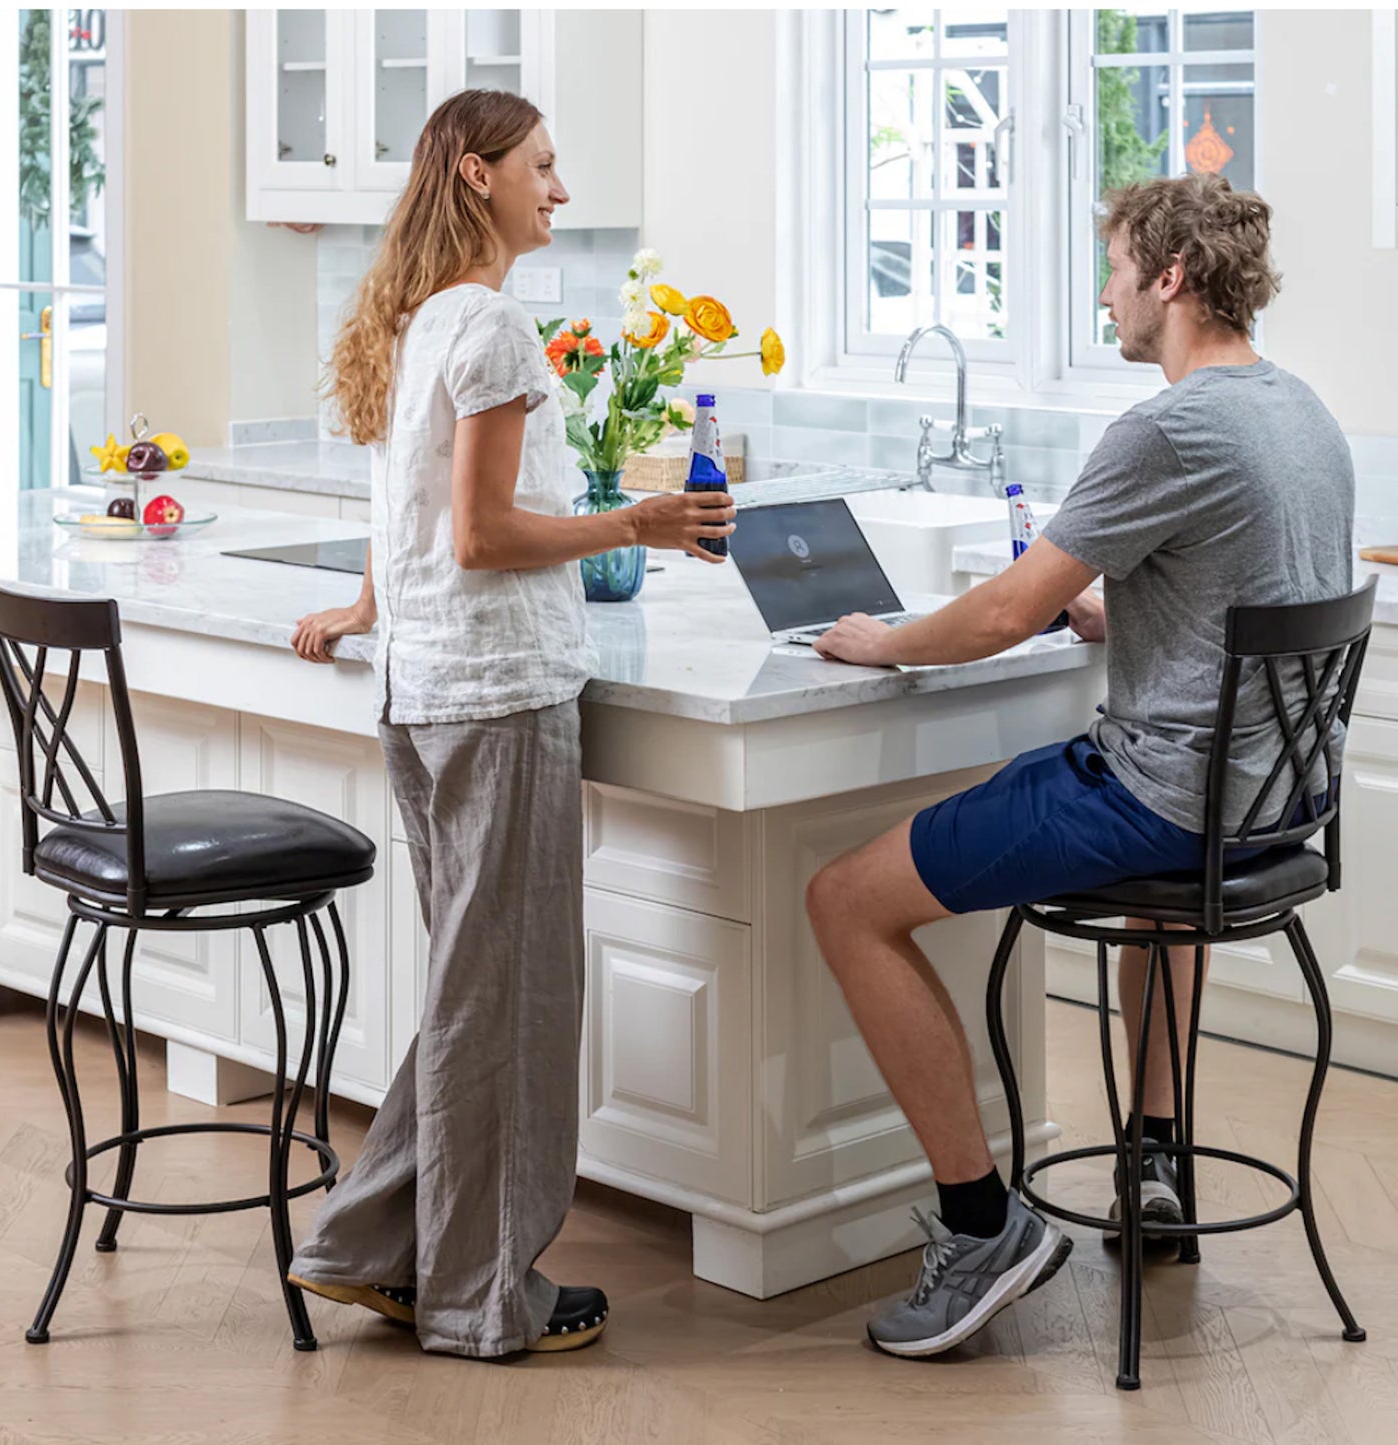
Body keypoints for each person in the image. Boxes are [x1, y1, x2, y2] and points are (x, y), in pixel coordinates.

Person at [806, 172, 1353, 1359]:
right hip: (1273, 810)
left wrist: (882, 640)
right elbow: (1249, 590)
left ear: (1166, 278)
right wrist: (1130, 615)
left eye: (1112, 269)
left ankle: (979, 1224)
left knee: (842, 898)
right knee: (1155, 918)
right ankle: (1150, 1158)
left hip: (1163, 802)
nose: (1104, 295)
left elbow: (1004, 609)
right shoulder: (1297, 408)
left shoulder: (1167, 424)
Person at [283, 89, 735, 1359]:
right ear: (478, 176)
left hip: (427, 690)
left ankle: (373, 1248)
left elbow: (411, 507)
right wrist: (635, 524)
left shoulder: (422, 319)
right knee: (514, 1002)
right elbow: (482, 532)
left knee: (471, 991)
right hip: (498, 695)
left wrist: (373, 601)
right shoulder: (486, 323)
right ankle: (484, 1295)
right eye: (542, 164)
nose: (559, 186)